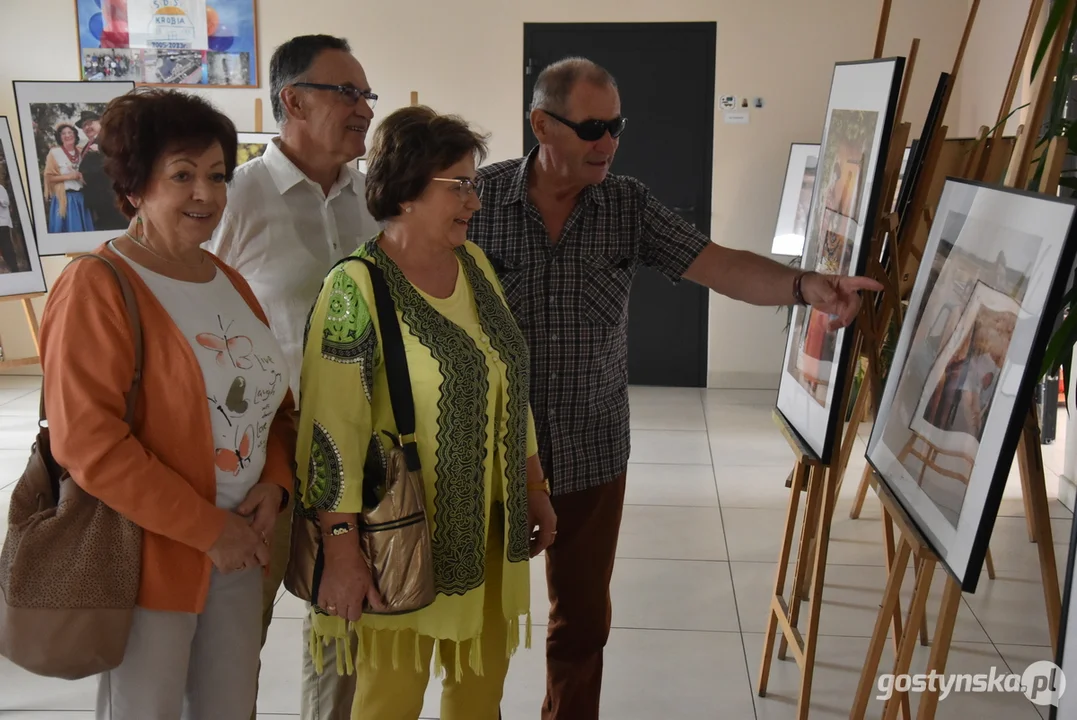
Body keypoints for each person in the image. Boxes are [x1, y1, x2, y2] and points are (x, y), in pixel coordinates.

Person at [467, 56, 883, 720]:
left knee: (580, 621)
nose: (607, 142)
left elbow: (719, 266)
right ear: (541, 123)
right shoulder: (476, 202)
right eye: (592, 127)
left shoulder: (626, 205)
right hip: (485, 454)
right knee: (476, 621)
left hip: (590, 448)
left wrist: (807, 287)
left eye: (617, 127)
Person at [38, 88, 297, 719]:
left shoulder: (229, 281)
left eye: (216, 175)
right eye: (182, 175)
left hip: (242, 547)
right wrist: (210, 530)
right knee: (145, 710)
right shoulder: (98, 284)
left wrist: (277, 482)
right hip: (153, 553)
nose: (205, 194)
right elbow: (88, 442)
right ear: (134, 187)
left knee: (228, 707)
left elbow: (276, 405)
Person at [296, 105, 557, 720]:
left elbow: (510, 386)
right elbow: (331, 431)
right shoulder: (354, 288)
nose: (475, 200)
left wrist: (534, 485)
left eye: (476, 184)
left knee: (478, 696)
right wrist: (340, 551)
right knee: (388, 703)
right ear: (408, 191)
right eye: (459, 186)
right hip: (399, 540)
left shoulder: (477, 268)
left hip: (490, 533)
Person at [204, 34, 381, 720]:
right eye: (348, 93)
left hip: (356, 454)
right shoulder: (234, 199)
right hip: (262, 462)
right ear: (293, 100)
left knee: (342, 630)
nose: (363, 108)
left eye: (368, 95)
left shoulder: (369, 200)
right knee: (234, 639)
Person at [77, 109, 129, 230]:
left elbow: (117, 161)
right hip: (98, 198)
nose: (87, 127)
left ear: (100, 122)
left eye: (90, 123)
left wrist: (99, 152)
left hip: (110, 196)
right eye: (84, 125)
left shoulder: (108, 139)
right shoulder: (87, 145)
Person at [43, 123, 94, 233]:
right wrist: (68, 177)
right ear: (59, 137)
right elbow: (48, 178)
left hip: (82, 198)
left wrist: (81, 176)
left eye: (70, 132)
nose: (67, 135)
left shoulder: (81, 151)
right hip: (65, 199)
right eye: (63, 133)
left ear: (75, 135)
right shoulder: (54, 153)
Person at [0, 166, 21, 272]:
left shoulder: (0, 188)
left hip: (2, 223)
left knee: (6, 246)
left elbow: (6, 202)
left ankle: (14, 267)